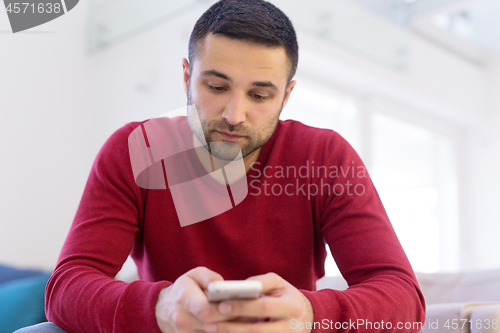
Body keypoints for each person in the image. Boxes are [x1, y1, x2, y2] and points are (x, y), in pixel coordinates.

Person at [17, 0, 425, 332]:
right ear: (186, 77)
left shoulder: (326, 157)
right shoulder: (134, 149)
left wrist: (310, 315)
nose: (235, 114)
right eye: (216, 87)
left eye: (260, 95)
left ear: (286, 97)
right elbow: (66, 287)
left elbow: (403, 297)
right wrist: (158, 307)